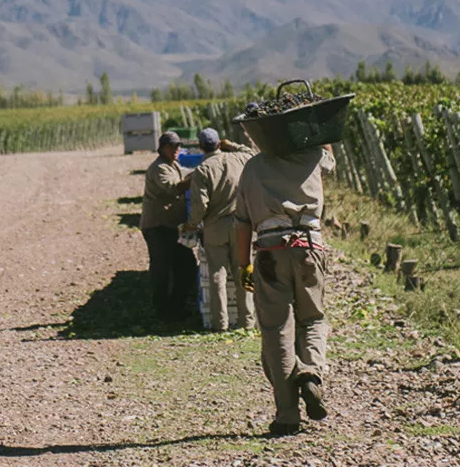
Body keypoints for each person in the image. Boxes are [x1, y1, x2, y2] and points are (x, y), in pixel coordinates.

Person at [233, 143, 336, 436]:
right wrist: (321, 135)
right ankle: (311, 372)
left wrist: (244, 266)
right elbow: (331, 160)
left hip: (269, 251)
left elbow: (241, 222)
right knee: (313, 318)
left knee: (277, 328)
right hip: (309, 248)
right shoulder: (314, 156)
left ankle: (287, 415)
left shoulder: (252, 167)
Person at [183, 128, 257, 331]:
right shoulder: (239, 159)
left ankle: (220, 323)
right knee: (244, 269)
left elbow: (200, 207)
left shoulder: (202, 170)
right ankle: (247, 322)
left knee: (217, 275)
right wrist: (231, 144)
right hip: (241, 225)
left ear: (200, 147)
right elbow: (253, 152)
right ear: (218, 144)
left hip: (215, 228)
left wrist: (191, 225)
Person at [142, 131, 200, 322]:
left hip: (170, 226)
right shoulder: (159, 168)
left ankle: (175, 308)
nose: (176, 150)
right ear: (162, 148)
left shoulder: (172, 164)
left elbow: (184, 176)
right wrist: (197, 177)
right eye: (172, 146)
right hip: (158, 226)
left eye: (178, 146)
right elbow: (174, 187)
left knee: (187, 268)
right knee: (161, 269)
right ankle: (162, 312)